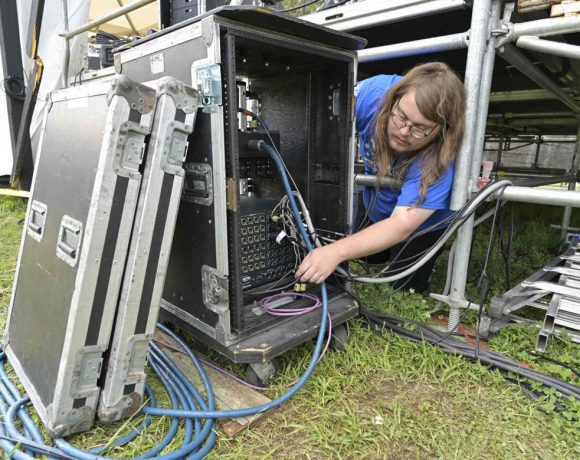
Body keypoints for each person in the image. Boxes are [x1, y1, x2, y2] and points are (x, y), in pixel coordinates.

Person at [295, 62, 466, 292]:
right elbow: (318, 111)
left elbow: (401, 224)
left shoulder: (440, 159)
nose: (404, 132)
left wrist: (335, 251)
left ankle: (420, 269)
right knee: (365, 258)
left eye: (419, 128)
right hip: (376, 198)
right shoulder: (370, 95)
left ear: (441, 129)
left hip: (422, 225)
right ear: (394, 99)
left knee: (402, 288)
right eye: (401, 117)